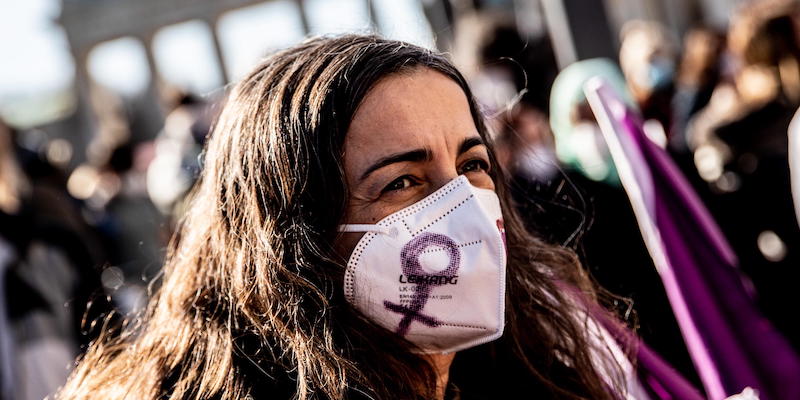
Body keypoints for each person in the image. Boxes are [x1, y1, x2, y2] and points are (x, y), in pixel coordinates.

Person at [56, 35, 694, 400]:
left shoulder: (541, 371)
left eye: (473, 163)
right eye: (403, 181)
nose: (461, 206)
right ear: (291, 233)